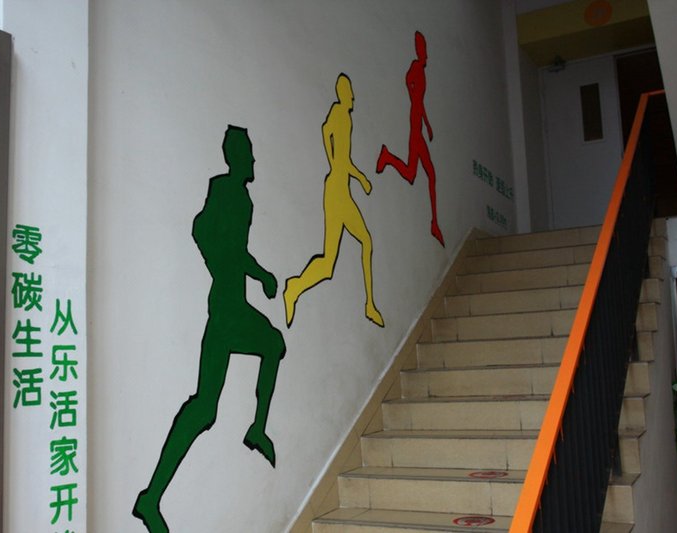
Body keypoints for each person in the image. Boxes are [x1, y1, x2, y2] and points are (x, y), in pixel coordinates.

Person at [133, 126, 286, 533]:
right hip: (226, 306)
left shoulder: (243, 198)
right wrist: (225, 266)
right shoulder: (224, 189)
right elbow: (202, 230)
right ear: (236, 156)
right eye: (248, 153)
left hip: (232, 305)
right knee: (208, 404)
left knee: (211, 401)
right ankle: (151, 497)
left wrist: (258, 274)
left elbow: (235, 249)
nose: (253, 160)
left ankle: (256, 429)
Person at [283, 74, 384, 328]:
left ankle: (296, 287)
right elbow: (330, 138)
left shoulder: (344, 117)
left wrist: (352, 174)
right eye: (350, 92)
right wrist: (346, 170)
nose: (353, 97)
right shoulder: (340, 113)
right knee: (362, 244)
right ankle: (368, 305)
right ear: (343, 93)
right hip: (337, 192)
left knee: (332, 263)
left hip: (339, 191)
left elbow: (337, 149)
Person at [376, 31, 444, 246]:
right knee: (423, 174)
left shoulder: (420, 70)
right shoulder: (415, 67)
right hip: (415, 130)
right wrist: (413, 99)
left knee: (416, 174)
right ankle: (434, 224)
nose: (425, 53)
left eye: (424, 48)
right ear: (418, 50)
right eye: (422, 48)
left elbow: (419, 101)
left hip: (419, 129)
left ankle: (435, 224)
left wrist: (428, 125)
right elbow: (412, 90)